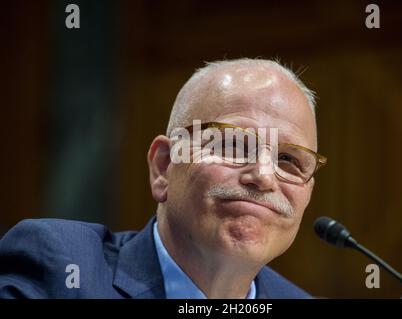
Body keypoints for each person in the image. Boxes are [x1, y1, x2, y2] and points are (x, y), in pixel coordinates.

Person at [0, 58, 326, 299]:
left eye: (288, 160)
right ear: (163, 166)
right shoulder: (59, 269)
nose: (263, 177)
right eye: (232, 145)